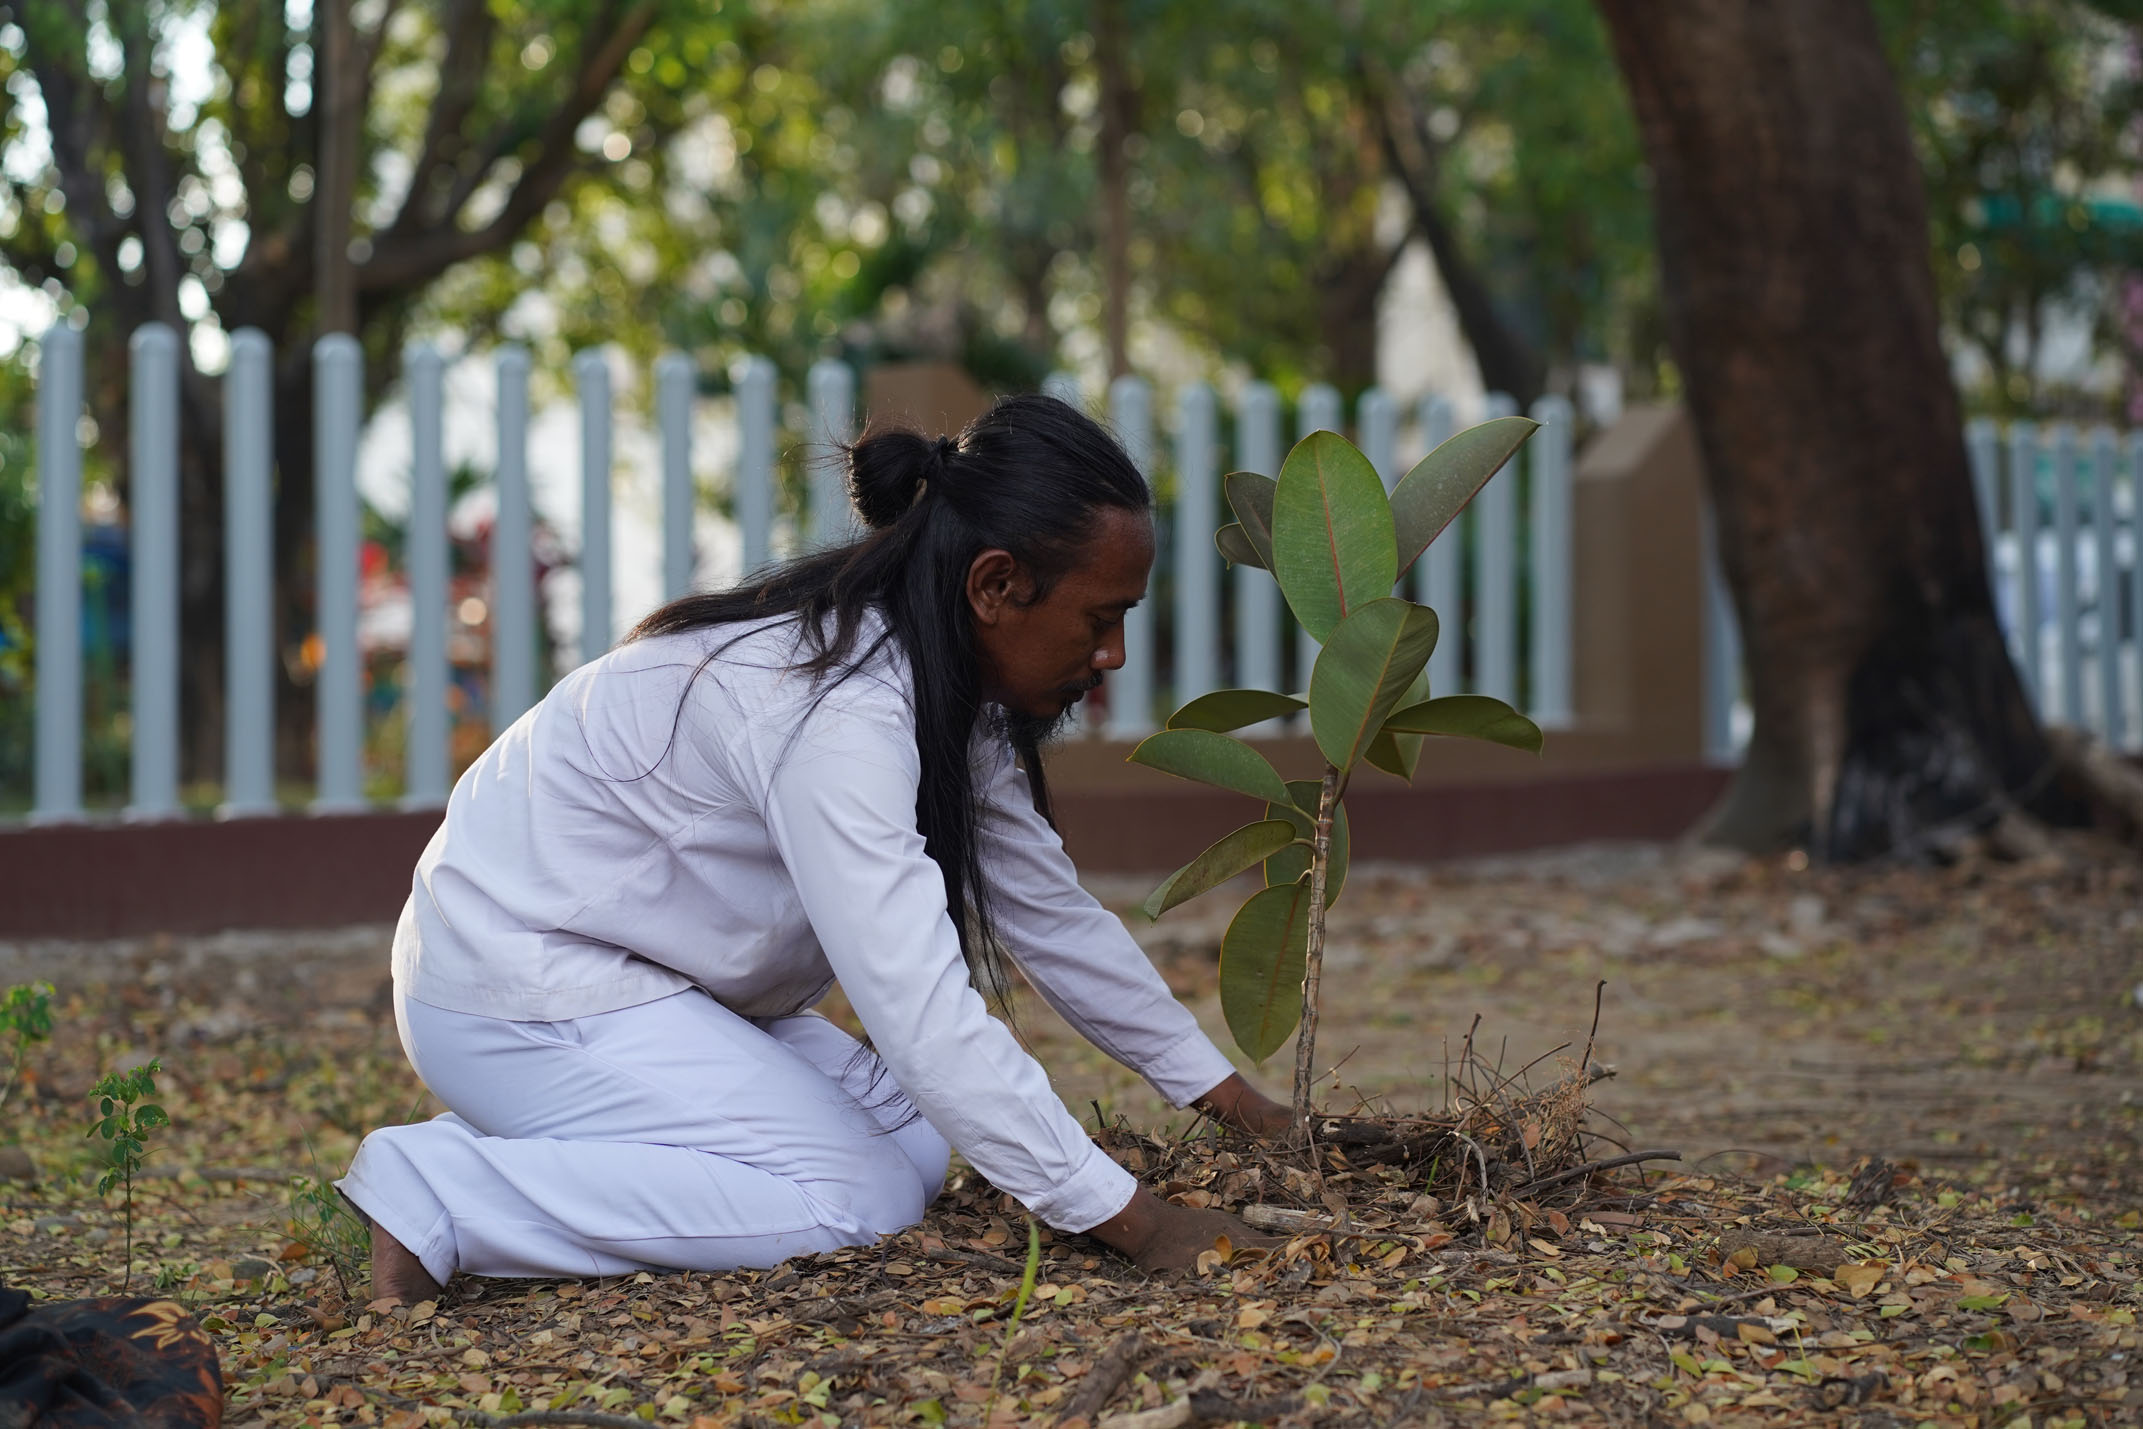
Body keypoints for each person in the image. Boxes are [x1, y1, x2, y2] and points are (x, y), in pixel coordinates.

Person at [339, 394, 1294, 1301]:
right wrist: (1138, 1224)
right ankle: (446, 1189)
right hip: (515, 984)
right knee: (855, 1197)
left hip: (647, 982)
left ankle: (555, 1141)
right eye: (1101, 617)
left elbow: (1052, 920)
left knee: (915, 1142)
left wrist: (1247, 1113)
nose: (1114, 655)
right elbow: (918, 1010)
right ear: (995, 585)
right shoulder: (836, 714)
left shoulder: (943, 696)